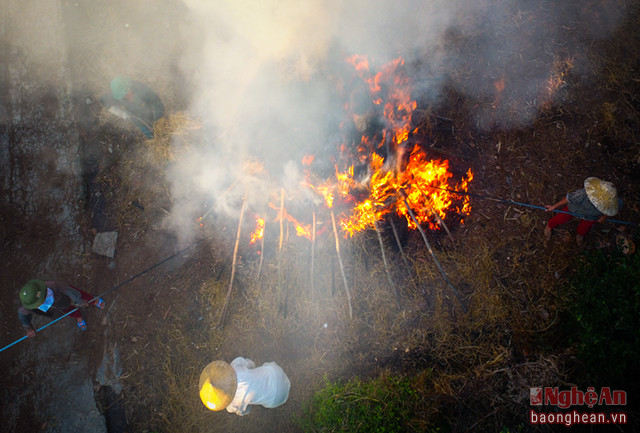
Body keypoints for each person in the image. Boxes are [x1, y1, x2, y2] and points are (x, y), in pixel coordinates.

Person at [198, 357, 290, 416]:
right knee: (265, 369)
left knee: (263, 403)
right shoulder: (236, 365)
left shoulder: (232, 405)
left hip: (276, 398)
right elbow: (250, 363)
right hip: (275, 373)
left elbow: (247, 411)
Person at [544, 177, 620, 246]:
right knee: (561, 218)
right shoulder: (583, 194)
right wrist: (554, 206)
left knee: (585, 227)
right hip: (574, 209)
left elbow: (615, 208)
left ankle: (580, 234)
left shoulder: (613, 201)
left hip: (591, 217)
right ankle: (549, 226)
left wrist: (605, 216)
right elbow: (569, 198)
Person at [18, 279, 105, 337]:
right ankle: (78, 316)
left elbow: (69, 291)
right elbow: (22, 314)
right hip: (58, 307)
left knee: (83, 297)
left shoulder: (53, 286)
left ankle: (94, 300)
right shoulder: (27, 305)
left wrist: (78, 300)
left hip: (66, 297)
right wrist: (28, 327)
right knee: (68, 311)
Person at [100, 76, 165, 139]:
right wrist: (122, 114)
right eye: (123, 95)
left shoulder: (141, 89)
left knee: (159, 124)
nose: (126, 96)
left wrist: (153, 118)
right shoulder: (118, 95)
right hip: (136, 118)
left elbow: (158, 104)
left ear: (130, 86)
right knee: (150, 134)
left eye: (127, 92)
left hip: (150, 112)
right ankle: (151, 137)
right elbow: (103, 100)